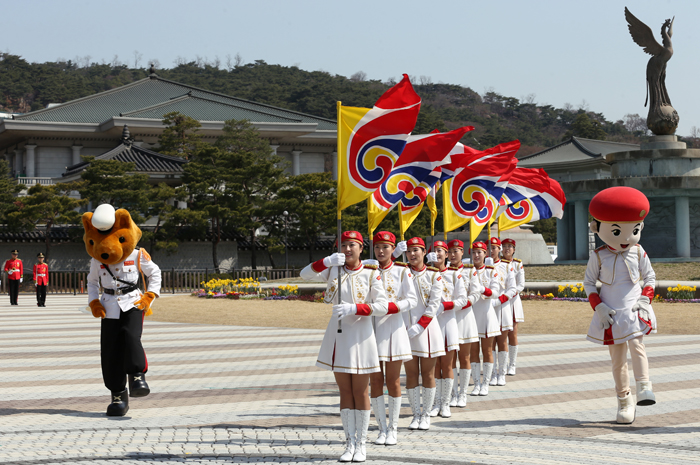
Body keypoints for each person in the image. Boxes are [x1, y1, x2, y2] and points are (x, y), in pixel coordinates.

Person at [300, 231, 389, 462]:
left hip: (361, 335)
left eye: (352, 245)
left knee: (361, 391)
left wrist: (356, 309)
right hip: (338, 336)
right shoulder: (334, 269)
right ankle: (349, 443)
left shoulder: (371, 274)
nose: (347, 249)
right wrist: (326, 261)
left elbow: (382, 305)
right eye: (343, 245)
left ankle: (361, 444)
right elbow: (305, 275)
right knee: (345, 391)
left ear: (361, 249)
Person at [584, 186, 656, 424]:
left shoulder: (639, 251)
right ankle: (624, 400)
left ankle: (644, 386)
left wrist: (645, 299)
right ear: (598, 228)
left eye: (634, 230)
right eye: (617, 231)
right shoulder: (598, 255)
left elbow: (651, 277)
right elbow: (588, 283)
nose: (626, 238)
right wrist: (599, 307)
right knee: (617, 359)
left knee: (637, 345)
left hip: (634, 309)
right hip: (611, 314)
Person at [84, 204, 161, 417]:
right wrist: (94, 302)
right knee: (110, 350)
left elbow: (155, 273)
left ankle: (137, 375)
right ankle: (117, 395)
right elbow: (91, 282)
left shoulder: (137, 255)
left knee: (130, 336)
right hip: (108, 304)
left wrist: (150, 296)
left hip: (133, 301)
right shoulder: (96, 258)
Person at [366, 231, 416, 446]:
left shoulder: (402, 271)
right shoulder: (367, 271)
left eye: (385, 247)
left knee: (393, 380)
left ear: (393, 248)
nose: (380, 251)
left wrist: (392, 307)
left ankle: (393, 428)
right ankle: (381, 428)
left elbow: (412, 299)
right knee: (375, 380)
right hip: (371, 330)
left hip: (394, 327)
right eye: (377, 247)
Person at [404, 237, 444, 431]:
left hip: (427, 330)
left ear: (423, 253)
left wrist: (419, 326)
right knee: (411, 374)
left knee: (428, 374)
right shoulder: (401, 273)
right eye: (409, 251)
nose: (412, 254)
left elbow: (434, 304)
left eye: (416, 250)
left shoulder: (434, 275)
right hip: (405, 330)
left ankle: (426, 414)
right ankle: (415, 414)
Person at [446, 239, 482, 407]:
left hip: (465, 316)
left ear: (462, 252)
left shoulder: (470, 271)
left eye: (456, 251)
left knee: (465, 357)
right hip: (449, 317)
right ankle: (452, 393)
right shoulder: (442, 271)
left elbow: (475, 293)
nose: (453, 255)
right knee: (450, 359)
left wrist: (463, 303)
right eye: (450, 251)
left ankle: (463, 394)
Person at [469, 241, 500, 396]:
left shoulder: (491, 271)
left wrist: (482, 289)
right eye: (474, 252)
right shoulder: (467, 271)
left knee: (487, 350)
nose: (476, 255)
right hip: (471, 315)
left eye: (479, 252)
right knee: (473, 351)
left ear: (485, 254)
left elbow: (495, 292)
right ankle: (476, 384)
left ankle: (486, 383)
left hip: (487, 314)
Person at [488, 238, 517, 387]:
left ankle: (502, 373)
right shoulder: (482, 267)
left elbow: (513, 288)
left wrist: (500, 300)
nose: (491, 250)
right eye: (489, 248)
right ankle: (493, 373)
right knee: (490, 343)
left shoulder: (506, 266)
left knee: (502, 341)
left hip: (502, 306)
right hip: (487, 309)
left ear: (499, 249)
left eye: (494, 248)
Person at [501, 238, 524, 375]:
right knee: (499, 335)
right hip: (499, 301)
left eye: (510, 246)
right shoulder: (496, 264)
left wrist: (510, 294)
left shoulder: (517, 264)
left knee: (513, 333)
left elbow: (521, 284)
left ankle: (512, 364)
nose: (507, 249)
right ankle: (501, 364)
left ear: (514, 249)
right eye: (504, 246)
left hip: (513, 301)